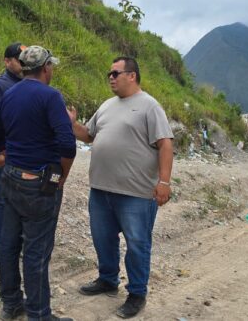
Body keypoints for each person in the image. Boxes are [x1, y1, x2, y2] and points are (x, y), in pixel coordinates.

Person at [68, 56, 174, 318]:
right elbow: (89, 135)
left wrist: (164, 182)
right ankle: (107, 279)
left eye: (115, 73)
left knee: (137, 244)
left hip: (136, 194)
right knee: (103, 239)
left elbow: (165, 144)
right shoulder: (107, 105)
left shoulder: (149, 106)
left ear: (132, 76)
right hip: (102, 189)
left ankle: (137, 294)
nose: (111, 78)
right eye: (109, 74)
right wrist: (71, 124)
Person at [0, 45, 75, 321]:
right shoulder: (51, 97)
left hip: (11, 179)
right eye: (51, 67)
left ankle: (11, 305)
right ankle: (38, 315)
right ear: (46, 67)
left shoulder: (8, 93)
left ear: (23, 67)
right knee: (36, 252)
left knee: (8, 245)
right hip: (39, 185)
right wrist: (60, 179)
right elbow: (67, 146)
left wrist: (10, 154)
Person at [0, 42, 26, 264]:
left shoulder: (28, 84)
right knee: (1, 197)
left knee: (20, 199)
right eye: (19, 59)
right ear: (7, 61)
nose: (23, 63)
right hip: (6, 155)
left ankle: (15, 241)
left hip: (25, 156)